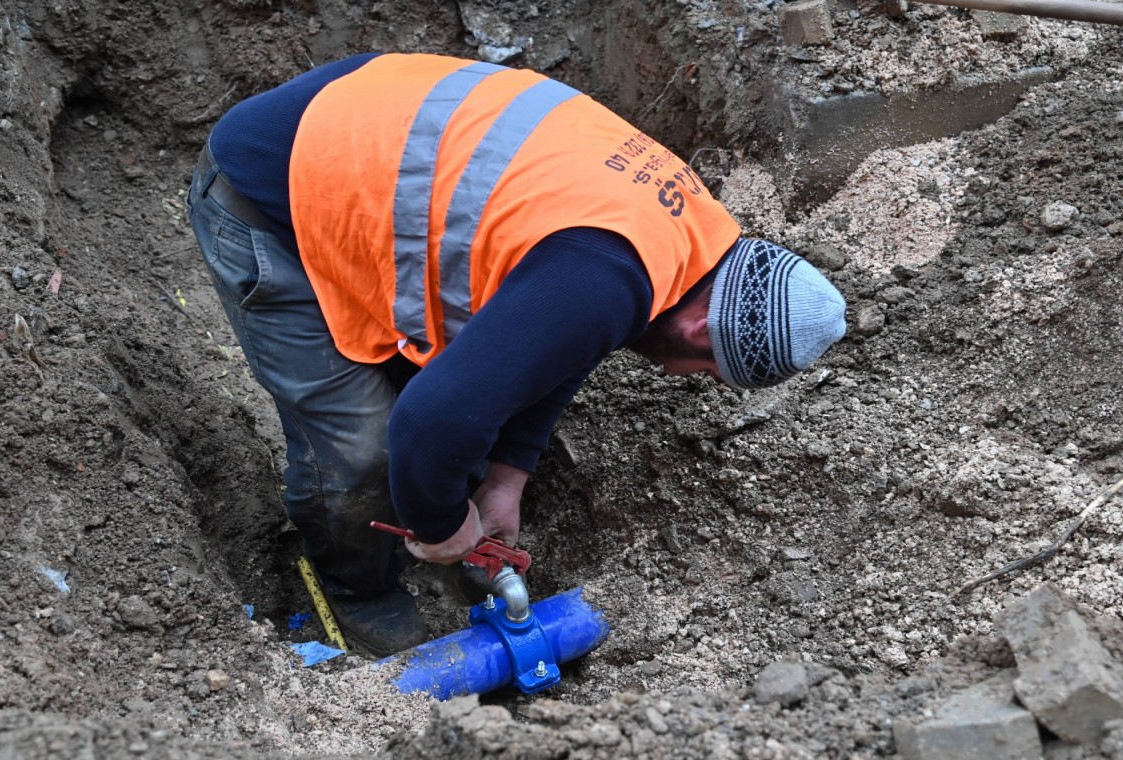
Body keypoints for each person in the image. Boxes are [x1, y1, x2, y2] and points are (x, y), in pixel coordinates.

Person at [187, 52, 847, 656]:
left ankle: (418, 516)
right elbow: (428, 421)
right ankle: (352, 585)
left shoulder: (690, 241)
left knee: (465, 413)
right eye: (705, 366)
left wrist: (509, 473)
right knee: (362, 450)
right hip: (270, 193)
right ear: (703, 324)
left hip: (372, 150)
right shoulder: (606, 274)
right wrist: (441, 525)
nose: (681, 373)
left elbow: (569, 343)